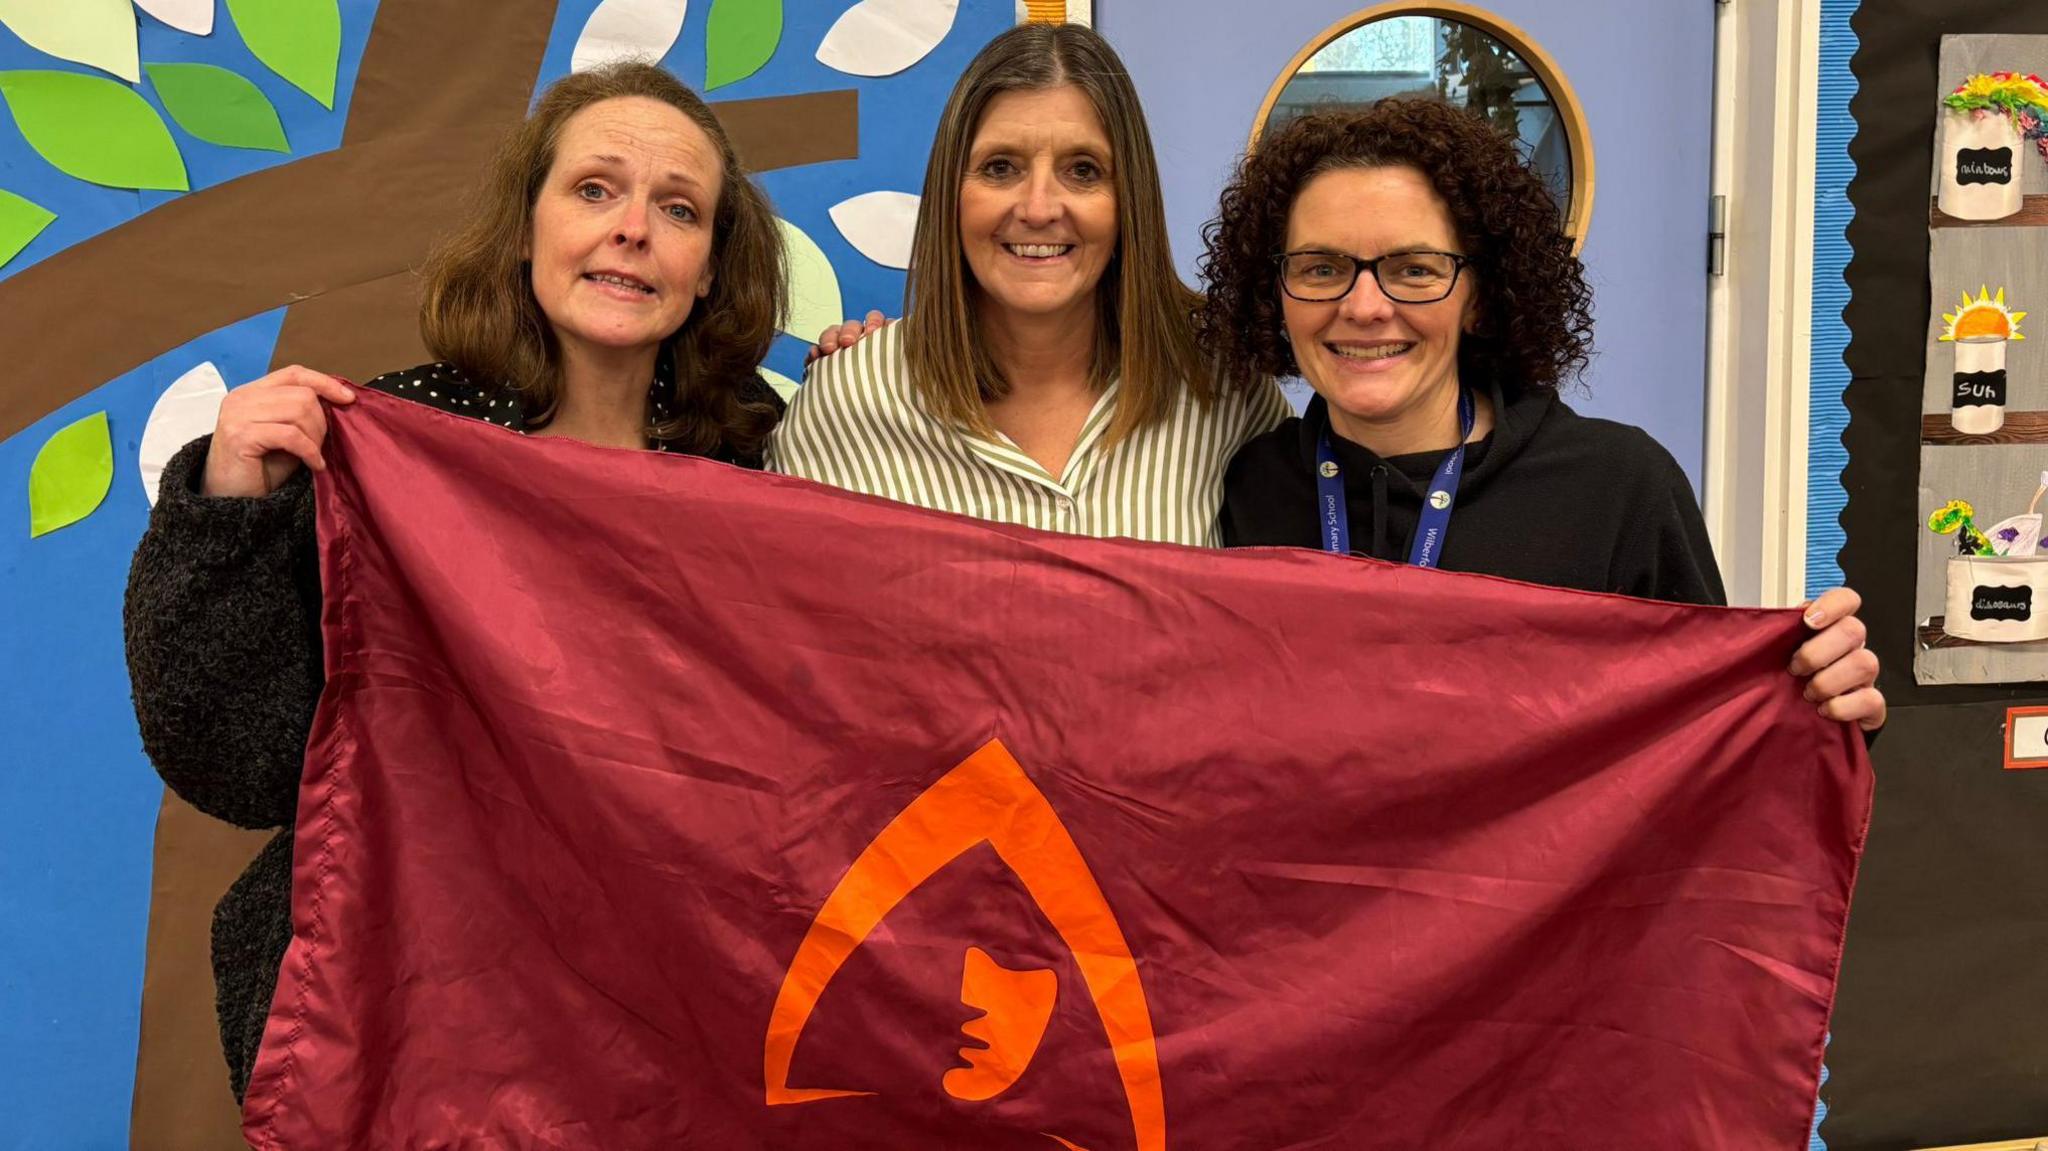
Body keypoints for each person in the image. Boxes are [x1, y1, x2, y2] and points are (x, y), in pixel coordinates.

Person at [123, 62, 789, 1098]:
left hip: (675, 1032)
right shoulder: (388, 450)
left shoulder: (763, 476)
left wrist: (879, 403)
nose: (632, 229)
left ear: (709, 268)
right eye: (594, 189)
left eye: (678, 208)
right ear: (526, 229)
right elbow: (232, 760)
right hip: (412, 1024)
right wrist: (228, 502)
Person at [1199, 99, 1883, 728]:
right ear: (1275, 292)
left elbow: (1713, 744)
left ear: (1480, 295)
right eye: (1320, 268)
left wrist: (1823, 708)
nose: (1365, 305)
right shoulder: (1249, 490)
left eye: (1415, 269)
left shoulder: (1618, 490)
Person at [768, 23, 1289, 545]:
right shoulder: (849, 398)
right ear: (951, 191)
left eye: (1083, 171)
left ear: (1129, 198)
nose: (1038, 208)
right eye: (1000, 167)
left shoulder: (1223, 382)